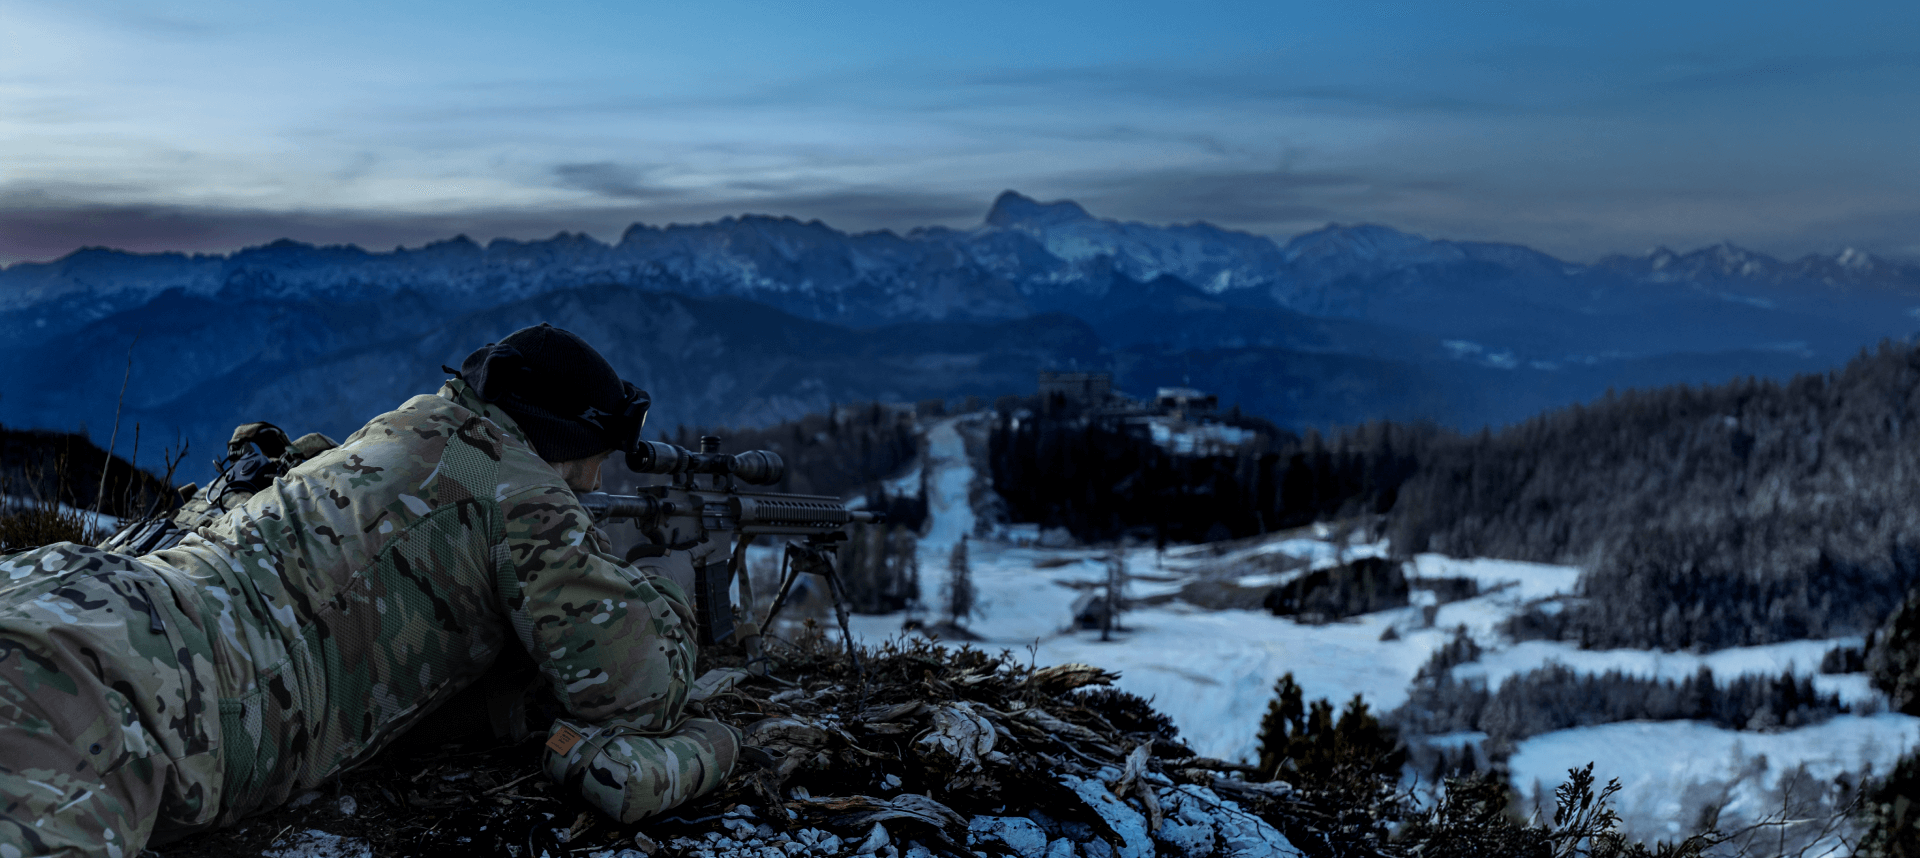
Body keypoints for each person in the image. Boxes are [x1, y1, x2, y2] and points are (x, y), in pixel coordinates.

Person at [0, 323, 739, 856]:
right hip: (130, 686)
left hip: (83, 595)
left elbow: (454, 517)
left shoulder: (416, 429)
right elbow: (635, 692)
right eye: (595, 462)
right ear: (568, 440)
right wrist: (661, 595)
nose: (597, 482)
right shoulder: (521, 494)